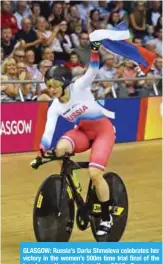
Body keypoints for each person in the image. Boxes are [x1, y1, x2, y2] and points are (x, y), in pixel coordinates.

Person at [30, 40, 115, 236]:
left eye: (54, 86)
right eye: (48, 86)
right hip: (83, 132)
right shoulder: (55, 107)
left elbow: (92, 71)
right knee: (60, 149)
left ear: (64, 83)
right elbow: (48, 132)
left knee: (95, 174)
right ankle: (74, 192)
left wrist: (94, 51)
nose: (50, 90)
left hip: (103, 131)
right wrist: (41, 154)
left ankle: (106, 216)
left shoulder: (79, 87)